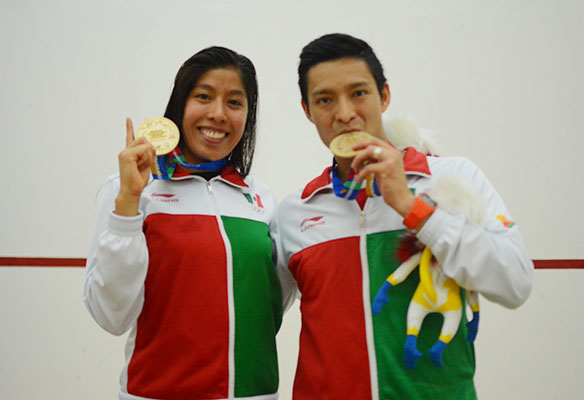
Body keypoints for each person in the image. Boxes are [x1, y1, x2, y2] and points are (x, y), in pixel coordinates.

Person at [272, 33, 534, 399]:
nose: (344, 113)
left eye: (359, 93)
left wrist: (415, 209)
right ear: (307, 110)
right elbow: (257, 321)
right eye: (325, 100)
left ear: (384, 96)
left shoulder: (454, 178)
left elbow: (515, 284)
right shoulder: (294, 212)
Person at [84, 46, 282, 400]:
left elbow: (270, 308)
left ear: (248, 116)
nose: (219, 114)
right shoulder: (129, 189)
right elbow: (110, 315)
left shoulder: (261, 198)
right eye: (203, 97)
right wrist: (128, 203)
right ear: (179, 105)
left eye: (235, 103)